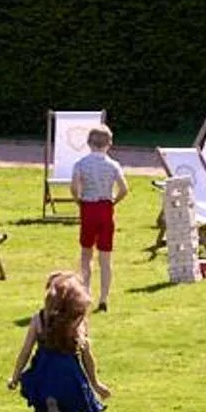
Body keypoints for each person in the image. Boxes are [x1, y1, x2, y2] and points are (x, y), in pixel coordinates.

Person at [7, 271, 112, 412]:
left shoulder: (39, 319)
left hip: (45, 374)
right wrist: (96, 384)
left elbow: (25, 351)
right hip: (70, 377)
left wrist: (15, 376)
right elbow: (87, 357)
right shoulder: (78, 324)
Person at [70, 127, 127, 309]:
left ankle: (85, 293)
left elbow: (74, 186)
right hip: (105, 207)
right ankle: (104, 298)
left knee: (86, 253)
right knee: (105, 257)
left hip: (88, 206)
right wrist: (113, 201)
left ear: (88, 143)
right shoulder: (113, 165)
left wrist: (78, 200)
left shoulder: (81, 163)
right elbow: (124, 188)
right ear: (109, 144)